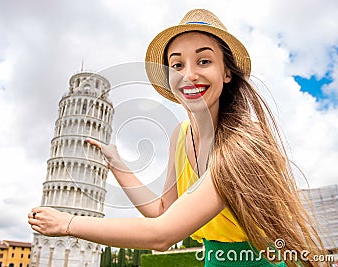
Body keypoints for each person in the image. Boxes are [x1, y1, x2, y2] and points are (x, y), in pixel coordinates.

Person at [28, 9, 326, 267]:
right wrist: (117, 164)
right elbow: (162, 212)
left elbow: (163, 234)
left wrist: (67, 223)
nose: (189, 75)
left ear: (227, 73)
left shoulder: (244, 143)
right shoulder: (180, 135)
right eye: (177, 65)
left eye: (204, 61)